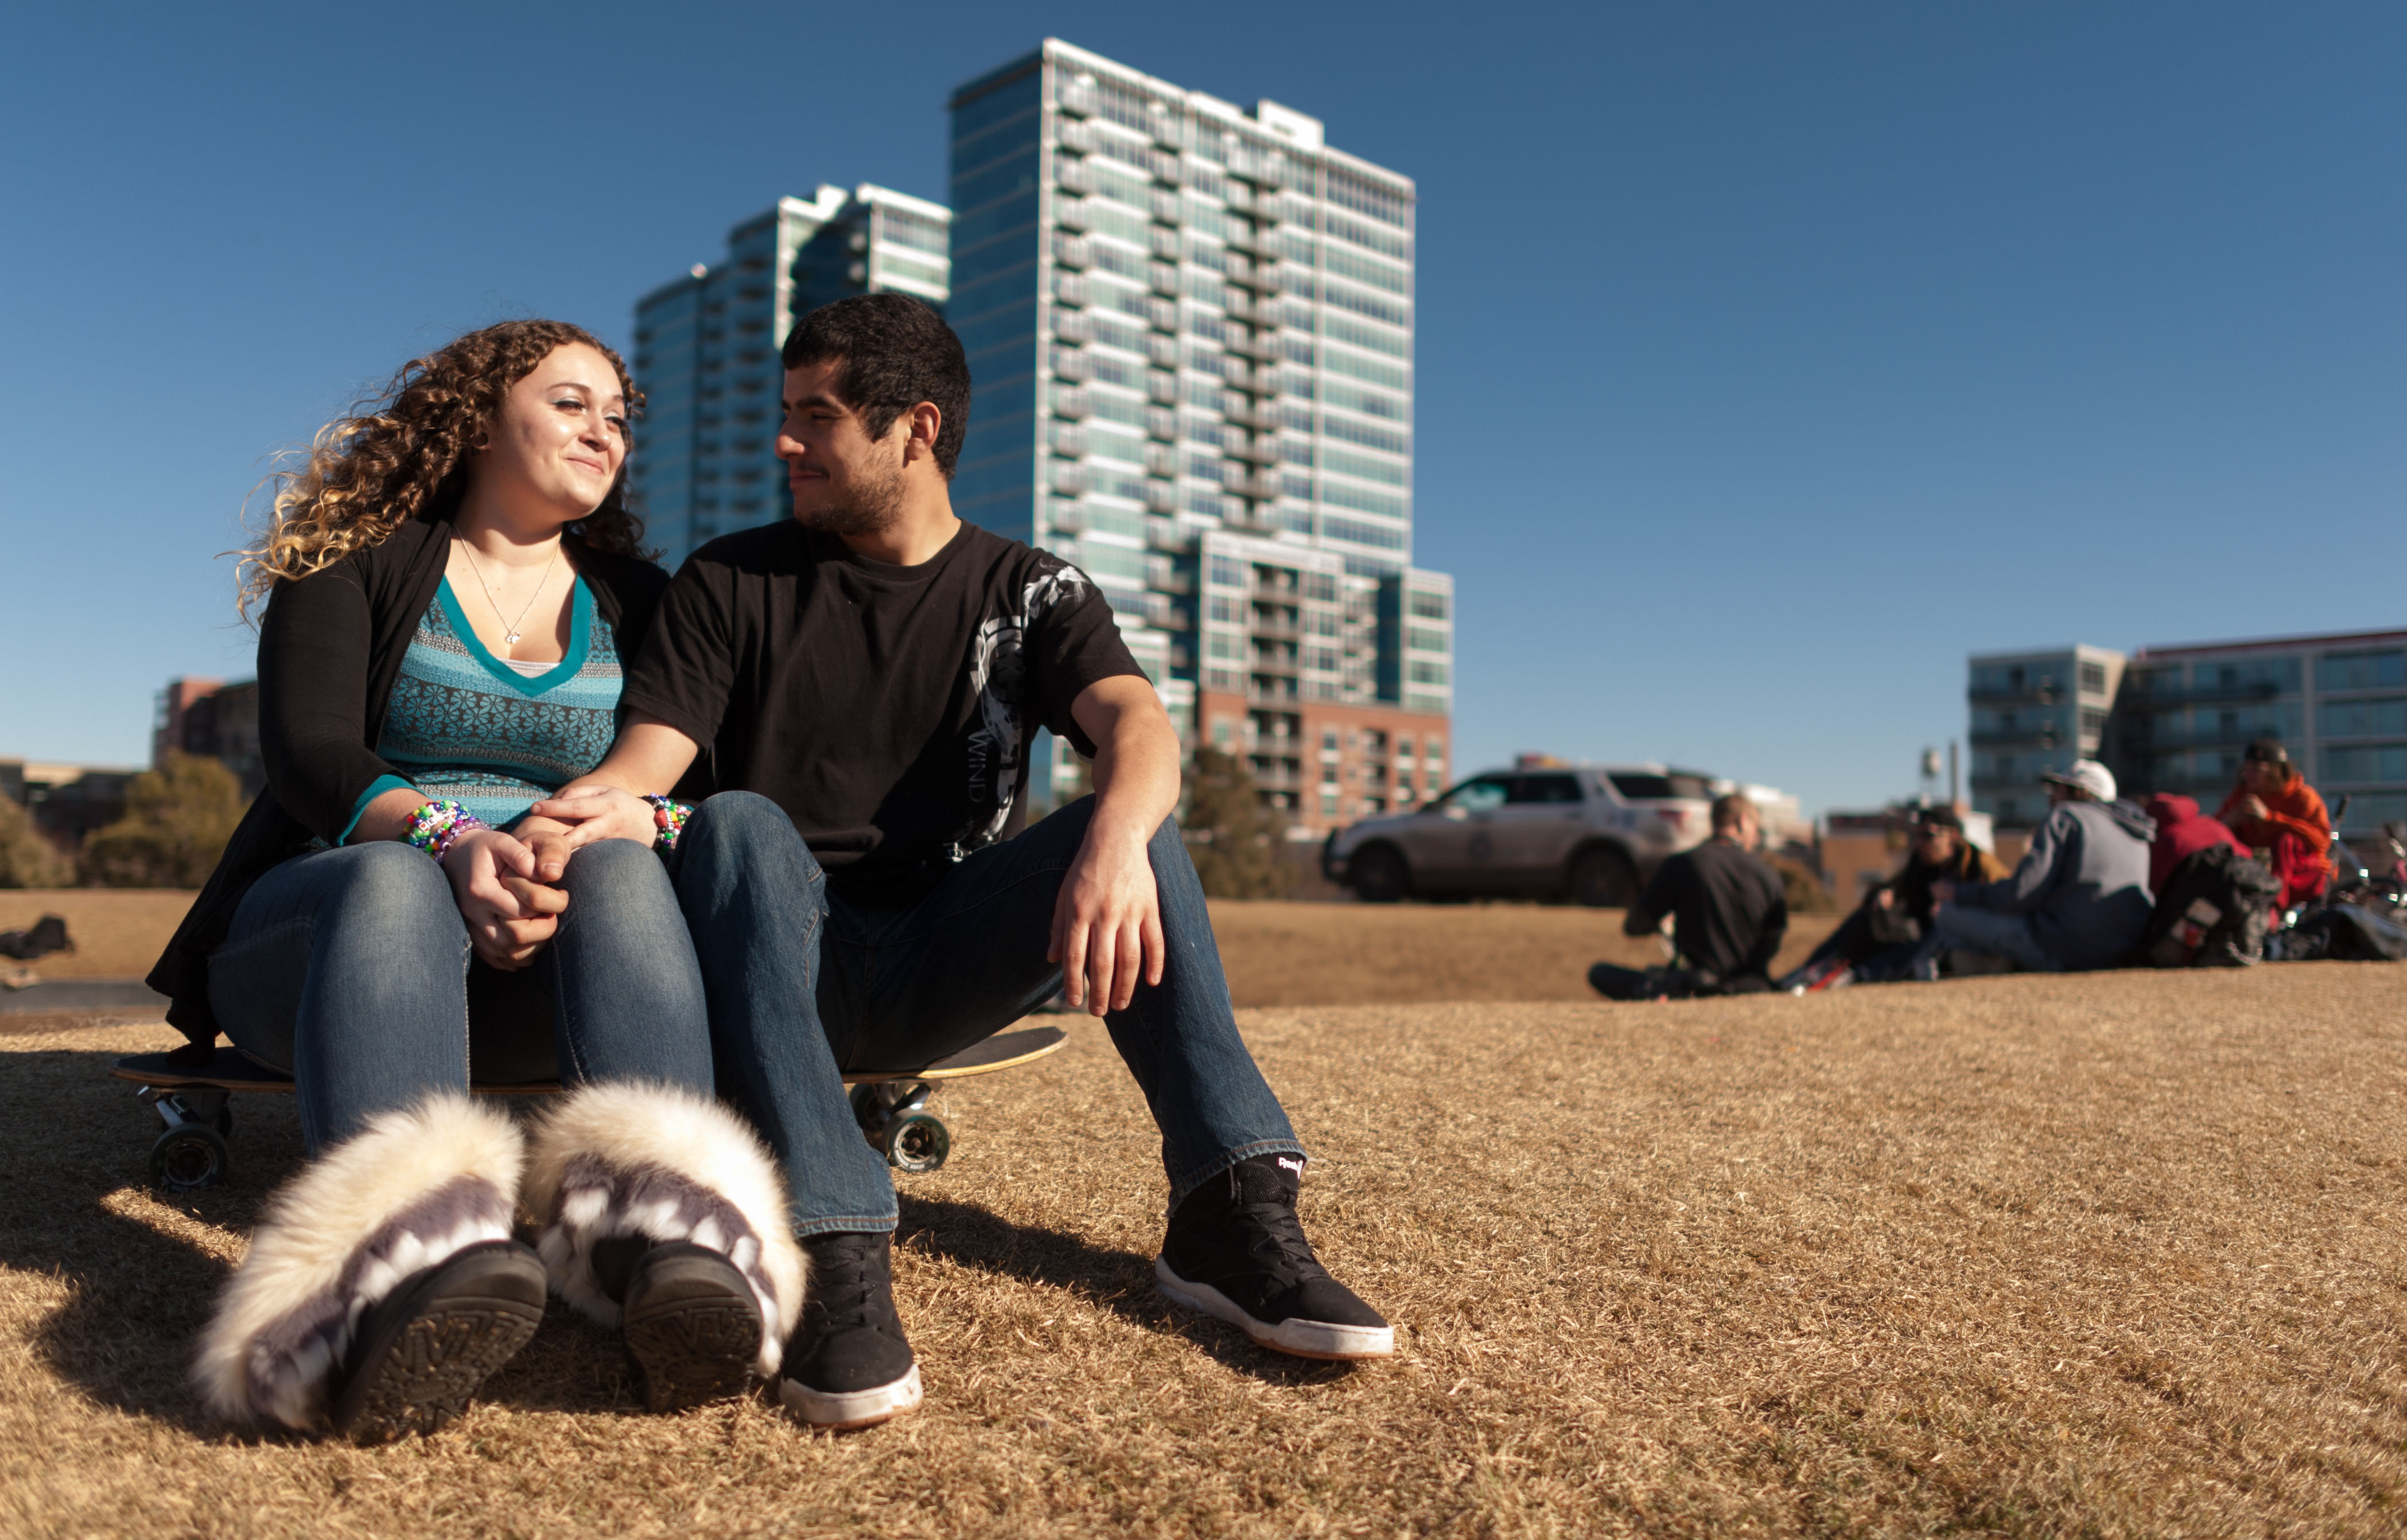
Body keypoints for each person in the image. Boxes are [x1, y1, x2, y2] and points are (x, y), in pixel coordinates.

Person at [514, 293, 1393, 1433]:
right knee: (735, 822)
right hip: (778, 965)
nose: (785, 442)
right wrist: (596, 809)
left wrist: (1116, 841)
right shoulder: (731, 581)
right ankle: (832, 1247)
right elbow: (651, 755)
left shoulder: (1030, 591)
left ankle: (1230, 1211)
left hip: (940, 959)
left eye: (816, 417)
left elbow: (1136, 721)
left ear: (914, 429)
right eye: (786, 413)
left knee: (1131, 818)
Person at [153, 322, 804, 1444]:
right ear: (477, 419)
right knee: (393, 882)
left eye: (617, 415)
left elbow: (718, 792)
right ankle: (386, 1274)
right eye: (569, 403)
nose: (604, 430)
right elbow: (310, 755)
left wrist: (609, 826)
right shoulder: (356, 555)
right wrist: (452, 839)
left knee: (618, 858)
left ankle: (663, 1232)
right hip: (343, 942)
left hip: (565, 971)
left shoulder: (643, 601)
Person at [1911, 760, 2154, 978]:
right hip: (2123, 949)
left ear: (2077, 791)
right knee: (1965, 936)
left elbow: (2021, 893)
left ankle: (1925, 970)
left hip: (2068, 951)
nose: (2050, 797)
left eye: (2057, 789)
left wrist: (1957, 893)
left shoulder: (2066, 817)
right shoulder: (2135, 830)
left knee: (1946, 914)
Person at [1778, 805, 2010, 989]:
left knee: (1941, 928)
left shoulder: (1980, 864)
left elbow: (2006, 897)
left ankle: (1856, 975)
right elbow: (1891, 886)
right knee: (1865, 917)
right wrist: (1882, 896)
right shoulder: (1919, 863)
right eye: (1917, 836)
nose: (1921, 843)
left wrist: (1957, 901)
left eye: (1929, 836)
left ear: (1953, 836)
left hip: (1954, 938)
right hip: (1916, 930)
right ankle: (1810, 969)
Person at [1587, 792, 1787, 1000]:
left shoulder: (1683, 864)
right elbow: (1773, 940)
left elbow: (1634, 926)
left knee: (1599, 973)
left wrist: (1665, 922)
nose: (1755, 839)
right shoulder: (1769, 875)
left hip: (1692, 985)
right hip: (1751, 984)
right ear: (1743, 821)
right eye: (1757, 830)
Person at [2215, 737, 2335, 908]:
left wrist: (2270, 817)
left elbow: (2322, 843)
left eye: (2257, 769)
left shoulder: (2303, 798)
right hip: (2253, 879)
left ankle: (2275, 907)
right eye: (2246, 768)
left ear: (2277, 771)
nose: (2249, 774)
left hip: (2303, 881)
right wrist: (2229, 822)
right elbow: (2211, 834)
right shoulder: (2241, 797)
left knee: (2286, 840)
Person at [2142, 792, 2250, 896]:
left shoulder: (2164, 839)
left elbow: (2154, 886)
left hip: (2213, 902)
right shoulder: (2210, 822)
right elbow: (2246, 854)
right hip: (2251, 890)